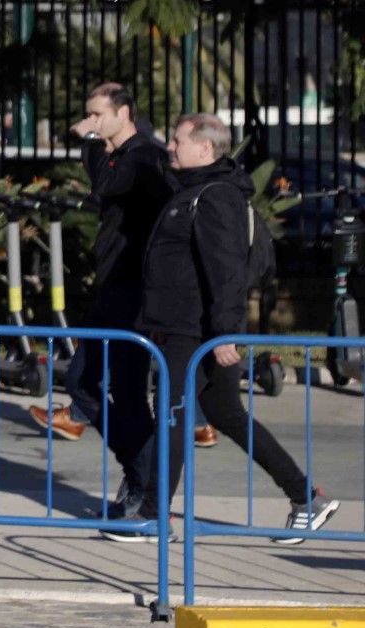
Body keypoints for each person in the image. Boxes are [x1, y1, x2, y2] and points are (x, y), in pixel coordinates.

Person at [131, 114, 339, 542]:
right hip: (189, 326)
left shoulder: (214, 196)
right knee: (225, 413)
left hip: (195, 330)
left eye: (177, 140)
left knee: (171, 412)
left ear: (205, 148)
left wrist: (226, 331)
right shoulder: (191, 190)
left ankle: (154, 514)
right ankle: (306, 498)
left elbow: (225, 270)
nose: (170, 146)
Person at [33, 83, 168, 508]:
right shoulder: (120, 154)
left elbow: (107, 186)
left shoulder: (144, 156)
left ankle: (144, 486)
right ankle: (136, 468)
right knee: (82, 382)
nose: (90, 123)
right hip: (111, 286)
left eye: (98, 115)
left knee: (128, 391)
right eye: (88, 115)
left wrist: (89, 142)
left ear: (123, 112)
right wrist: (95, 143)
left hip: (136, 290)